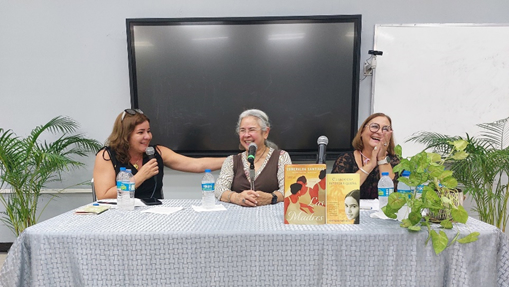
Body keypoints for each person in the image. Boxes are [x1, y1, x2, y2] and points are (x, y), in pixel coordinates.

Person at [93, 109, 225, 200]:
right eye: (141, 132)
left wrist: (234, 159)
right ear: (125, 135)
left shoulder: (157, 152)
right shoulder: (107, 156)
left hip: (155, 216)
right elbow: (104, 195)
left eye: (148, 131)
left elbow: (196, 164)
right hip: (120, 217)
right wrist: (139, 177)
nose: (148, 136)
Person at [215, 109, 292, 206]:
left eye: (251, 130)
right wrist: (236, 197)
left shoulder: (281, 157)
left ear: (265, 133)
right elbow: (219, 189)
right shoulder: (231, 161)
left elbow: (288, 189)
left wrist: (271, 197)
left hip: (271, 217)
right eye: (242, 130)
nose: (246, 135)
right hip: (237, 217)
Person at [331, 113, 400, 199]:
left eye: (385, 129)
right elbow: (337, 194)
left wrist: (382, 159)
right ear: (362, 132)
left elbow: (395, 199)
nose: (379, 132)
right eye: (374, 126)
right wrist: (370, 165)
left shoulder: (395, 161)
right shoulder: (345, 159)